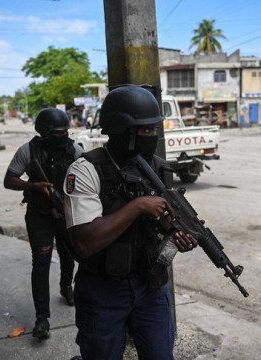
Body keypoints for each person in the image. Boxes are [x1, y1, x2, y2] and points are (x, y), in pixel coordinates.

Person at [63, 86, 198, 359]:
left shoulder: (160, 170)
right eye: (144, 130)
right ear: (121, 130)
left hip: (150, 287)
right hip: (103, 290)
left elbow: (163, 237)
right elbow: (85, 242)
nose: (153, 136)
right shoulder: (87, 170)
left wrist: (177, 239)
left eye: (154, 129)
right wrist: (137, 206)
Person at [3, 108, 81, 339]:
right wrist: (33, 186)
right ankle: (42, 318)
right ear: (44, 132)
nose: (62, 136)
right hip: (39, 213)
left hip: (66, 212)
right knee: (42, 261)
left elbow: (89, 177)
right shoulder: (28, 151)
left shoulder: (74, 150)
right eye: (57, 132)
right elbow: (9, 180)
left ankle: (66, 287)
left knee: (69, 255)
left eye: (65, 131)